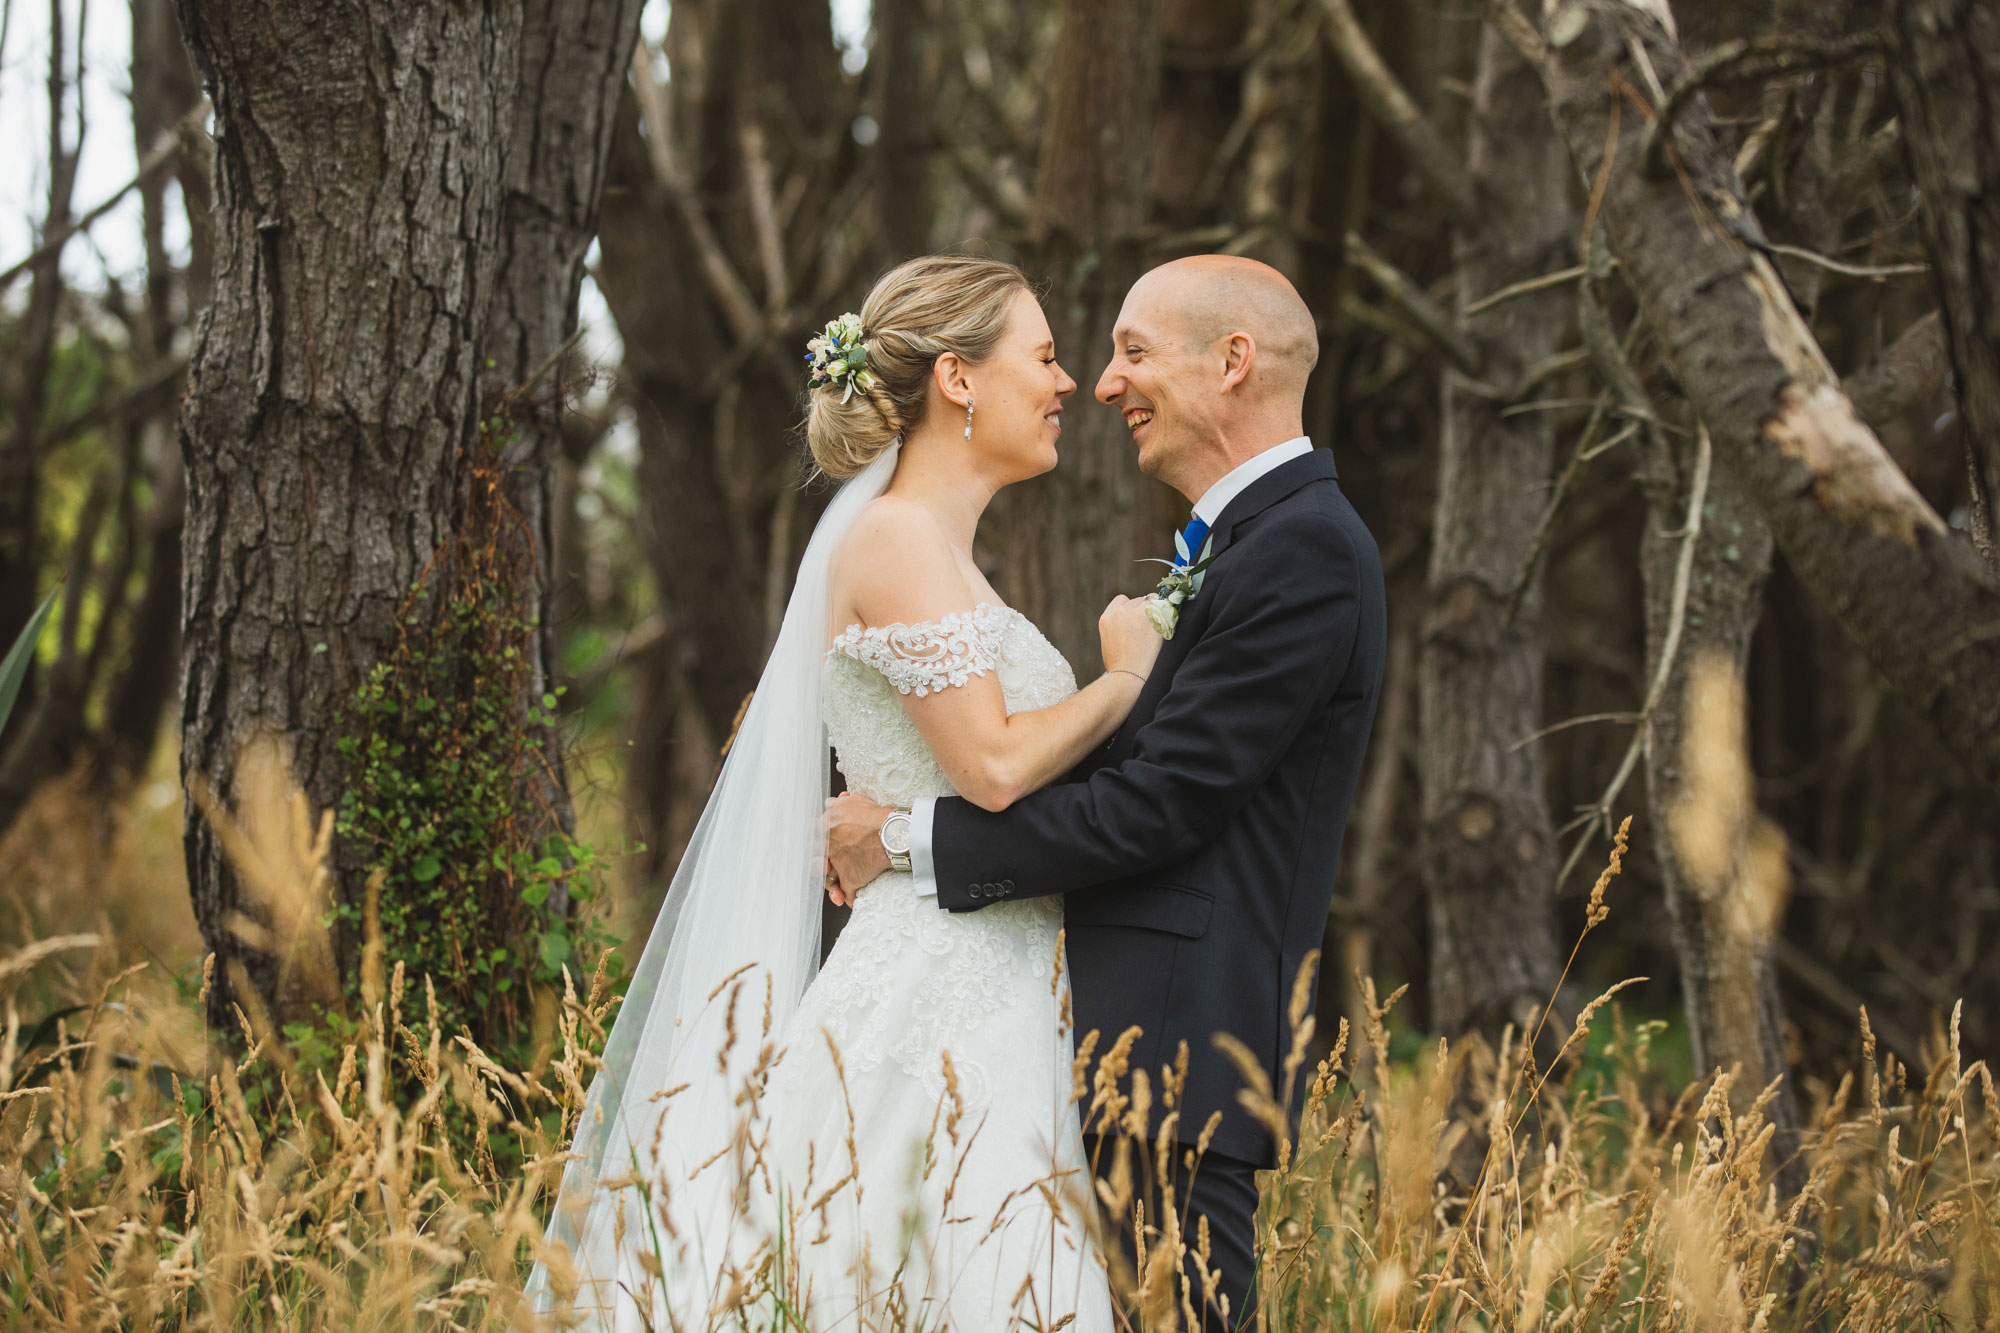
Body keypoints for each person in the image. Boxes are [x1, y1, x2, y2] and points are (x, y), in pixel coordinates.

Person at [528, 254, 1154, 1331]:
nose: (1065, 385)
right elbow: (994, 766)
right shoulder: (895, 538)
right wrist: (1129, 680)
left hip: (990, 981)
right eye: (1044, 356)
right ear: (957, 377)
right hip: (933, 994)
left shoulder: (938, 548)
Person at [826, 254, 1388, 1329]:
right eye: (1074, 355)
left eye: (1131, 350)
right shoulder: (1236, 545)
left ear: (1231, 362)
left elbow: (1160, 804)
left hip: (1174, 1054)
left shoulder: (1301, 547)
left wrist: (903, 836)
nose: (1100, 381)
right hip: (1073, 1044)